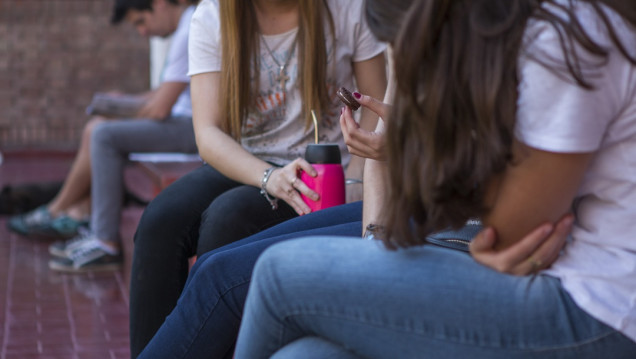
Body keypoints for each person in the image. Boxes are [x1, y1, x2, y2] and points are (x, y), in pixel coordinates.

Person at [132, 0, 576, 357]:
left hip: (458, 228)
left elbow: (511, 224)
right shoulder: (409, 29)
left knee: (244, 273)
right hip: (413, 214)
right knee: (197, 252)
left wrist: (402, 157)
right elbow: (386, 152)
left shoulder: (539, 45)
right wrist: (373, 240)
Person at [234, 0, 636, 358]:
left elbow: (508, 238)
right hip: (565, 288)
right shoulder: (540, 36)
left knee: (277, 273)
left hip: (599, 311)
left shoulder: (564, 37)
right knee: (307, 354)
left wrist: (420, 134)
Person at [128, 0, 387, 356]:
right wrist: (268, 176)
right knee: (160, 219)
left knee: (228, 217)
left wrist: (357, 178)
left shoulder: (347, 8)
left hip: (322, 171)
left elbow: (377, 105)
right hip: (247, 161)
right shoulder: (213, 15)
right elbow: (208, 134)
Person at [22, 0, 200, 272]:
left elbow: (160, 108)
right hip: (187, 124)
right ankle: (78, 213)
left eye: (141, 21)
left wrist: (120, 112)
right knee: (101, 128)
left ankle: (102, 240)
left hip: (194, 129)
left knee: (104, 135)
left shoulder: (191, 27)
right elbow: (163, 95)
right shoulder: (189, 23)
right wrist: (123, 103)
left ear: (160, 4)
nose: (142, 32)